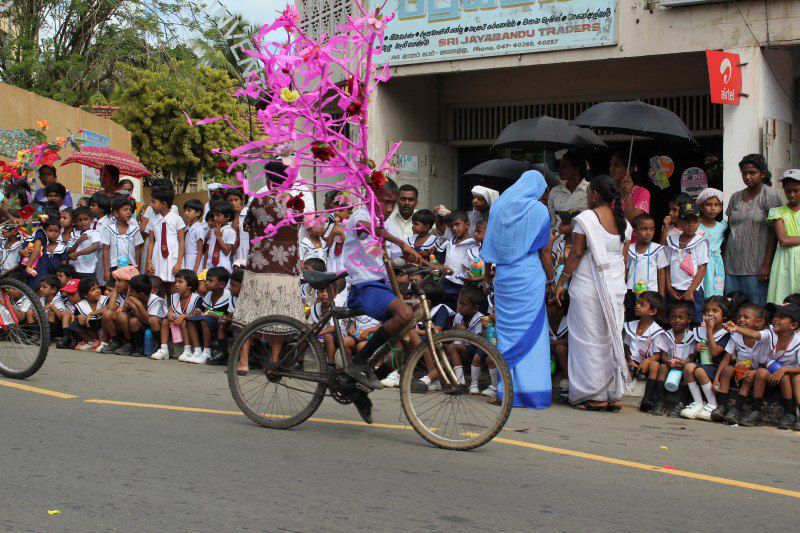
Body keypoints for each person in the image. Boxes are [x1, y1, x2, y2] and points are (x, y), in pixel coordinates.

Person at [340, 178, 422, 420]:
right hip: (363, 287)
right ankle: (359, 362)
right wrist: (399, 243)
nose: (388, 209)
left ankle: (361, 385)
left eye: (392, 204)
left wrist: (426, 265)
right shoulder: (360, 216)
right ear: (371, 198)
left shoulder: (389, 226)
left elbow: (403, 257)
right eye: (384, 203)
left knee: (414, 347)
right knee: (405, 314)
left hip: (384, 289)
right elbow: (370, 230)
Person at [555, 174, 632, 411]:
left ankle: (595, 396)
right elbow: (623, 258)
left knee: (588, 339)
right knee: (610, 338)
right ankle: (614, 395)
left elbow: (576, 253)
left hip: (589, 285)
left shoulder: (585, 218)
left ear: (595, 195)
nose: (587, 196)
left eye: (589, 193)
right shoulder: (625, 223)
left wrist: (561, 281)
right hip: (615, 286)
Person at [483, 170, 555, 409]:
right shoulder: (539, 211)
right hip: (529, 274)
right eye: (543, 190)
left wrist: (486, 275)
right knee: (532, 333)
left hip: (503, 276)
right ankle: (533, 393)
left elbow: (489, 245)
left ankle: (504, 391)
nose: (543, 195)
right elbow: (545, 251)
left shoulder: (499, 207)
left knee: (505, 332)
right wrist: (552, 280)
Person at [725, 302, 800, 427]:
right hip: (771, 375)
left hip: (789, 377)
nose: (776, 319)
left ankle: (791, 413)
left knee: (791, 377)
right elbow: (756, 334)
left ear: (793, 325)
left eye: (781, 317)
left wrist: (785, 369)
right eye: (775, 316)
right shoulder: (770, 333)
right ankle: (756, 412)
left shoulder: (798, 341)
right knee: (759, 372)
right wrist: (737, 329)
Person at [725, 154, 782, 306]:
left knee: (755, 310)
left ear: (762, 174)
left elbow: (774, 233)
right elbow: (728, 229)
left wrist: (766, 264)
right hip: (732, 264)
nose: (748, 177)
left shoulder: (770, 195)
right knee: (731, 309)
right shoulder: (736, 197)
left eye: (752, 173)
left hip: (756, 267)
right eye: (744, 173)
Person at [712, 303, 767, 424]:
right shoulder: (736, 335)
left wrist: (754, 372)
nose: (741, 319)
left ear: (757, 322)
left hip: (757, 375)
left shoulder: (764, 338)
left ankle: (736, 409)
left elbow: (765, 364)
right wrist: (716, 378)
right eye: (739, 317)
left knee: (749, 376)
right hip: (739, 372)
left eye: (746, 317)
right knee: (727, 369)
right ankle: (722, 406)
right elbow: (726, 359)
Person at [680, 296, 731, 420]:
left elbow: (714, 352)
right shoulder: (700, 331)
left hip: (716, 367)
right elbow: (694, 356)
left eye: (715, 310)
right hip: (703, 364)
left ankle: (712, 403)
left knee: (699, 370)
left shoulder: (726, 333)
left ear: (724, 316)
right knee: (688, 367)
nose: (710, 314)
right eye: (707, 311)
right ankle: (698, 402)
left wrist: (709, 330)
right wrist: (697, 350)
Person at [665, 201, 709, 324]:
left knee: (694, 322)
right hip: (674, 290)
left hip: (692, 290)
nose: (691, 225)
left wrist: (690, 290)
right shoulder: (670, 241)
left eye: (695, 221)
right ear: (679, 222)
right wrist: (669, 287)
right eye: (687, 221)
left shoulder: (701, 242)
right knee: (675, 322)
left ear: (699, 221)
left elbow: (702, 268)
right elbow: (667, 266)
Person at [654, 301, 698, 416]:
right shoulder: (666, 334)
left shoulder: (692, 336)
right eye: (673, 317)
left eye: (681, 317)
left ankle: (680, 403)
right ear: (669, 319)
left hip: (684, 366)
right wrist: (667, 362)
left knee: (689, 369)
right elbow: (663, 355)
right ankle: (661, 402)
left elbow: (693, 356)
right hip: (670, 366)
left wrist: (685, 363)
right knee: (662, 367)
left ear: (689, 319)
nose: (677, 320)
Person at [622, 291, 665, 409]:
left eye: (642, 305)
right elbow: (626, 346)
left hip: (645, 362)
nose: (637, 306)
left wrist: (647, 361)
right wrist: (628, 359)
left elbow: (657, 354)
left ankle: (647, 398)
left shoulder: (656, 331)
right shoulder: (631, 325)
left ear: (653, 311)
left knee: (654, 365)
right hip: (631, 360)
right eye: (637, 303)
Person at [186, 266, 231, 364]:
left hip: (221, 324)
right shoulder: (209, 294)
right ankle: (197, 350)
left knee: (205, 320)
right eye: (207, 280)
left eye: (210, 280)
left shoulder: (228, 295)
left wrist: (208, 313)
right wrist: (198, 310)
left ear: (222, 284)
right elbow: (202, 309)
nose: (206, 283)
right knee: (190, 320)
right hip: (210, 322)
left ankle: (206, 351)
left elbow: (225, 314)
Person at [625, 213, 667, 320]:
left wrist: (661, 295)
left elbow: (661, 272)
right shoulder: (629, 249)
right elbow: (626, 269)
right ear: (634, 231)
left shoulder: (657, 249)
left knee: (649, 318)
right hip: (631, 290)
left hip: (651, 291)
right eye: (644, 229)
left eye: (651, 229)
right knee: (632, 315)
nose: (648, 233)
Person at [767, 169, 800, 304]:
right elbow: (783, 240)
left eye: (796, 190)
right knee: (784, 296)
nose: (791, 195)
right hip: (785, 261)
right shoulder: (777, 212)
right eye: (788, 191)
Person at [438, 210, 479, 309]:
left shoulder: (472, 245)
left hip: (460, 286)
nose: (454, 228)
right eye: (451, 226)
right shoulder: (450, 241)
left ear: (467, 224)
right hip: (444, 282)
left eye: (457, 225)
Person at [146, 188, 185, 287]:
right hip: (158, 255)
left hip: (173, 255)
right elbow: (151, 241)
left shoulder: (177, 219)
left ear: (163, 204)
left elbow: (181, 242)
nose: (151, 204)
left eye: (153, 202)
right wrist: (149, 261)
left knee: (173, 286)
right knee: (158, 285)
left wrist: (179, 263)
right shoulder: (153, 220)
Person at [101, 195, 143, 281]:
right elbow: (105, 250)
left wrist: (137, 268)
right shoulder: (109, 229)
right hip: (115, 267)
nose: (129, 212)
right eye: (125, 210)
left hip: (131, 266)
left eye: (130, 210)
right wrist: (106, 270)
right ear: (116, 213)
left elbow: (138, 249)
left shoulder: (134, 230)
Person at [548, 150, 589, 231]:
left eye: (564, 166)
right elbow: (552, 223)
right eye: (560, 165)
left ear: (576, 170)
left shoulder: (590, 190)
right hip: (558, 240)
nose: (559, 169)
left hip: (582, 240)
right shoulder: (554, 192)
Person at [697, 188, 727, 297]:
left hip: (716, 264)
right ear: (701, 206)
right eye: (708, 204)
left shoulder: (722, 226)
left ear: (721, 207)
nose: (713, 208)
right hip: (700, 264)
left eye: (717, 205)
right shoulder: (696, 227)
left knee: (716, 293)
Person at [609, 152, 649, 222]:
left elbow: (633, 221)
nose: (611, 169)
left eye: (616, 165)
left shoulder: (642, 192)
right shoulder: (609, 190)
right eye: (611, 165)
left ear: (629, 169)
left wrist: (628, 194)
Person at [67, 207, 101, 279]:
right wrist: (78, 242)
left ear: (91, 220)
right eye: (79, 220)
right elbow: (69, 252)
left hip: (88, 271)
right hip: (74, 269)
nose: (83, 222)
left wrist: (77, 253)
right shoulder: (73, 234)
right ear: (75, 222)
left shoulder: (94, 233)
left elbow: (95, 247)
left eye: (85, 219)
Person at [204, 200, 235, 272]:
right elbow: (208, 250)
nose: (215, 218)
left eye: (218, 215)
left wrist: (218, 237)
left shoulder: (230, 231)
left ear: (228, 216)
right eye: (214, 215)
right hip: (210, 265)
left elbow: (227, 251)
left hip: (222, 266)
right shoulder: (213, 230)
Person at [182, 199, 205, 271]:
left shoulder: (199, 229)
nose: (186, 213)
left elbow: (200, 251)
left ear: (198, 213)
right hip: (186, 259)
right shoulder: (186, 228)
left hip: (194, 261)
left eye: (189, 210)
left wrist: (195, 269)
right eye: (185, 210)